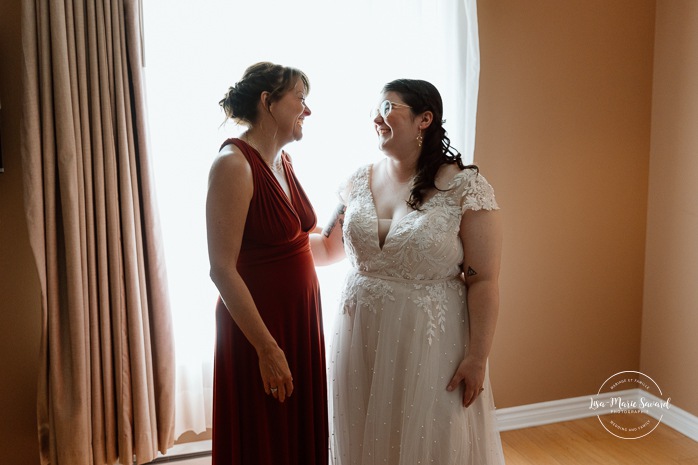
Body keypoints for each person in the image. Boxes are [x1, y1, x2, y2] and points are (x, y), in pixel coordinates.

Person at [311, 79, 505, 464]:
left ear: (424, 119)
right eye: (375, 111)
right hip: (361, 333)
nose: (377, 119)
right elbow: (325, 248)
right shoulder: (356, 182)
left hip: (431, 341)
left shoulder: (465, 187)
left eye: (387, 108)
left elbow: (483, 280)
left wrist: (478, 357)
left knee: (431, 436)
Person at [207, 62, 327, 465]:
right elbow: (221, 269)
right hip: (260, 328)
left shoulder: (283, 164)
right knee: (264, 439)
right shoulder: (233, 165)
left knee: (294, 434)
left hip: (299, 320)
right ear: (268, 102)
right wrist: (267, 348)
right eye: (300, 99)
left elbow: (299, 246)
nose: (307, 111)